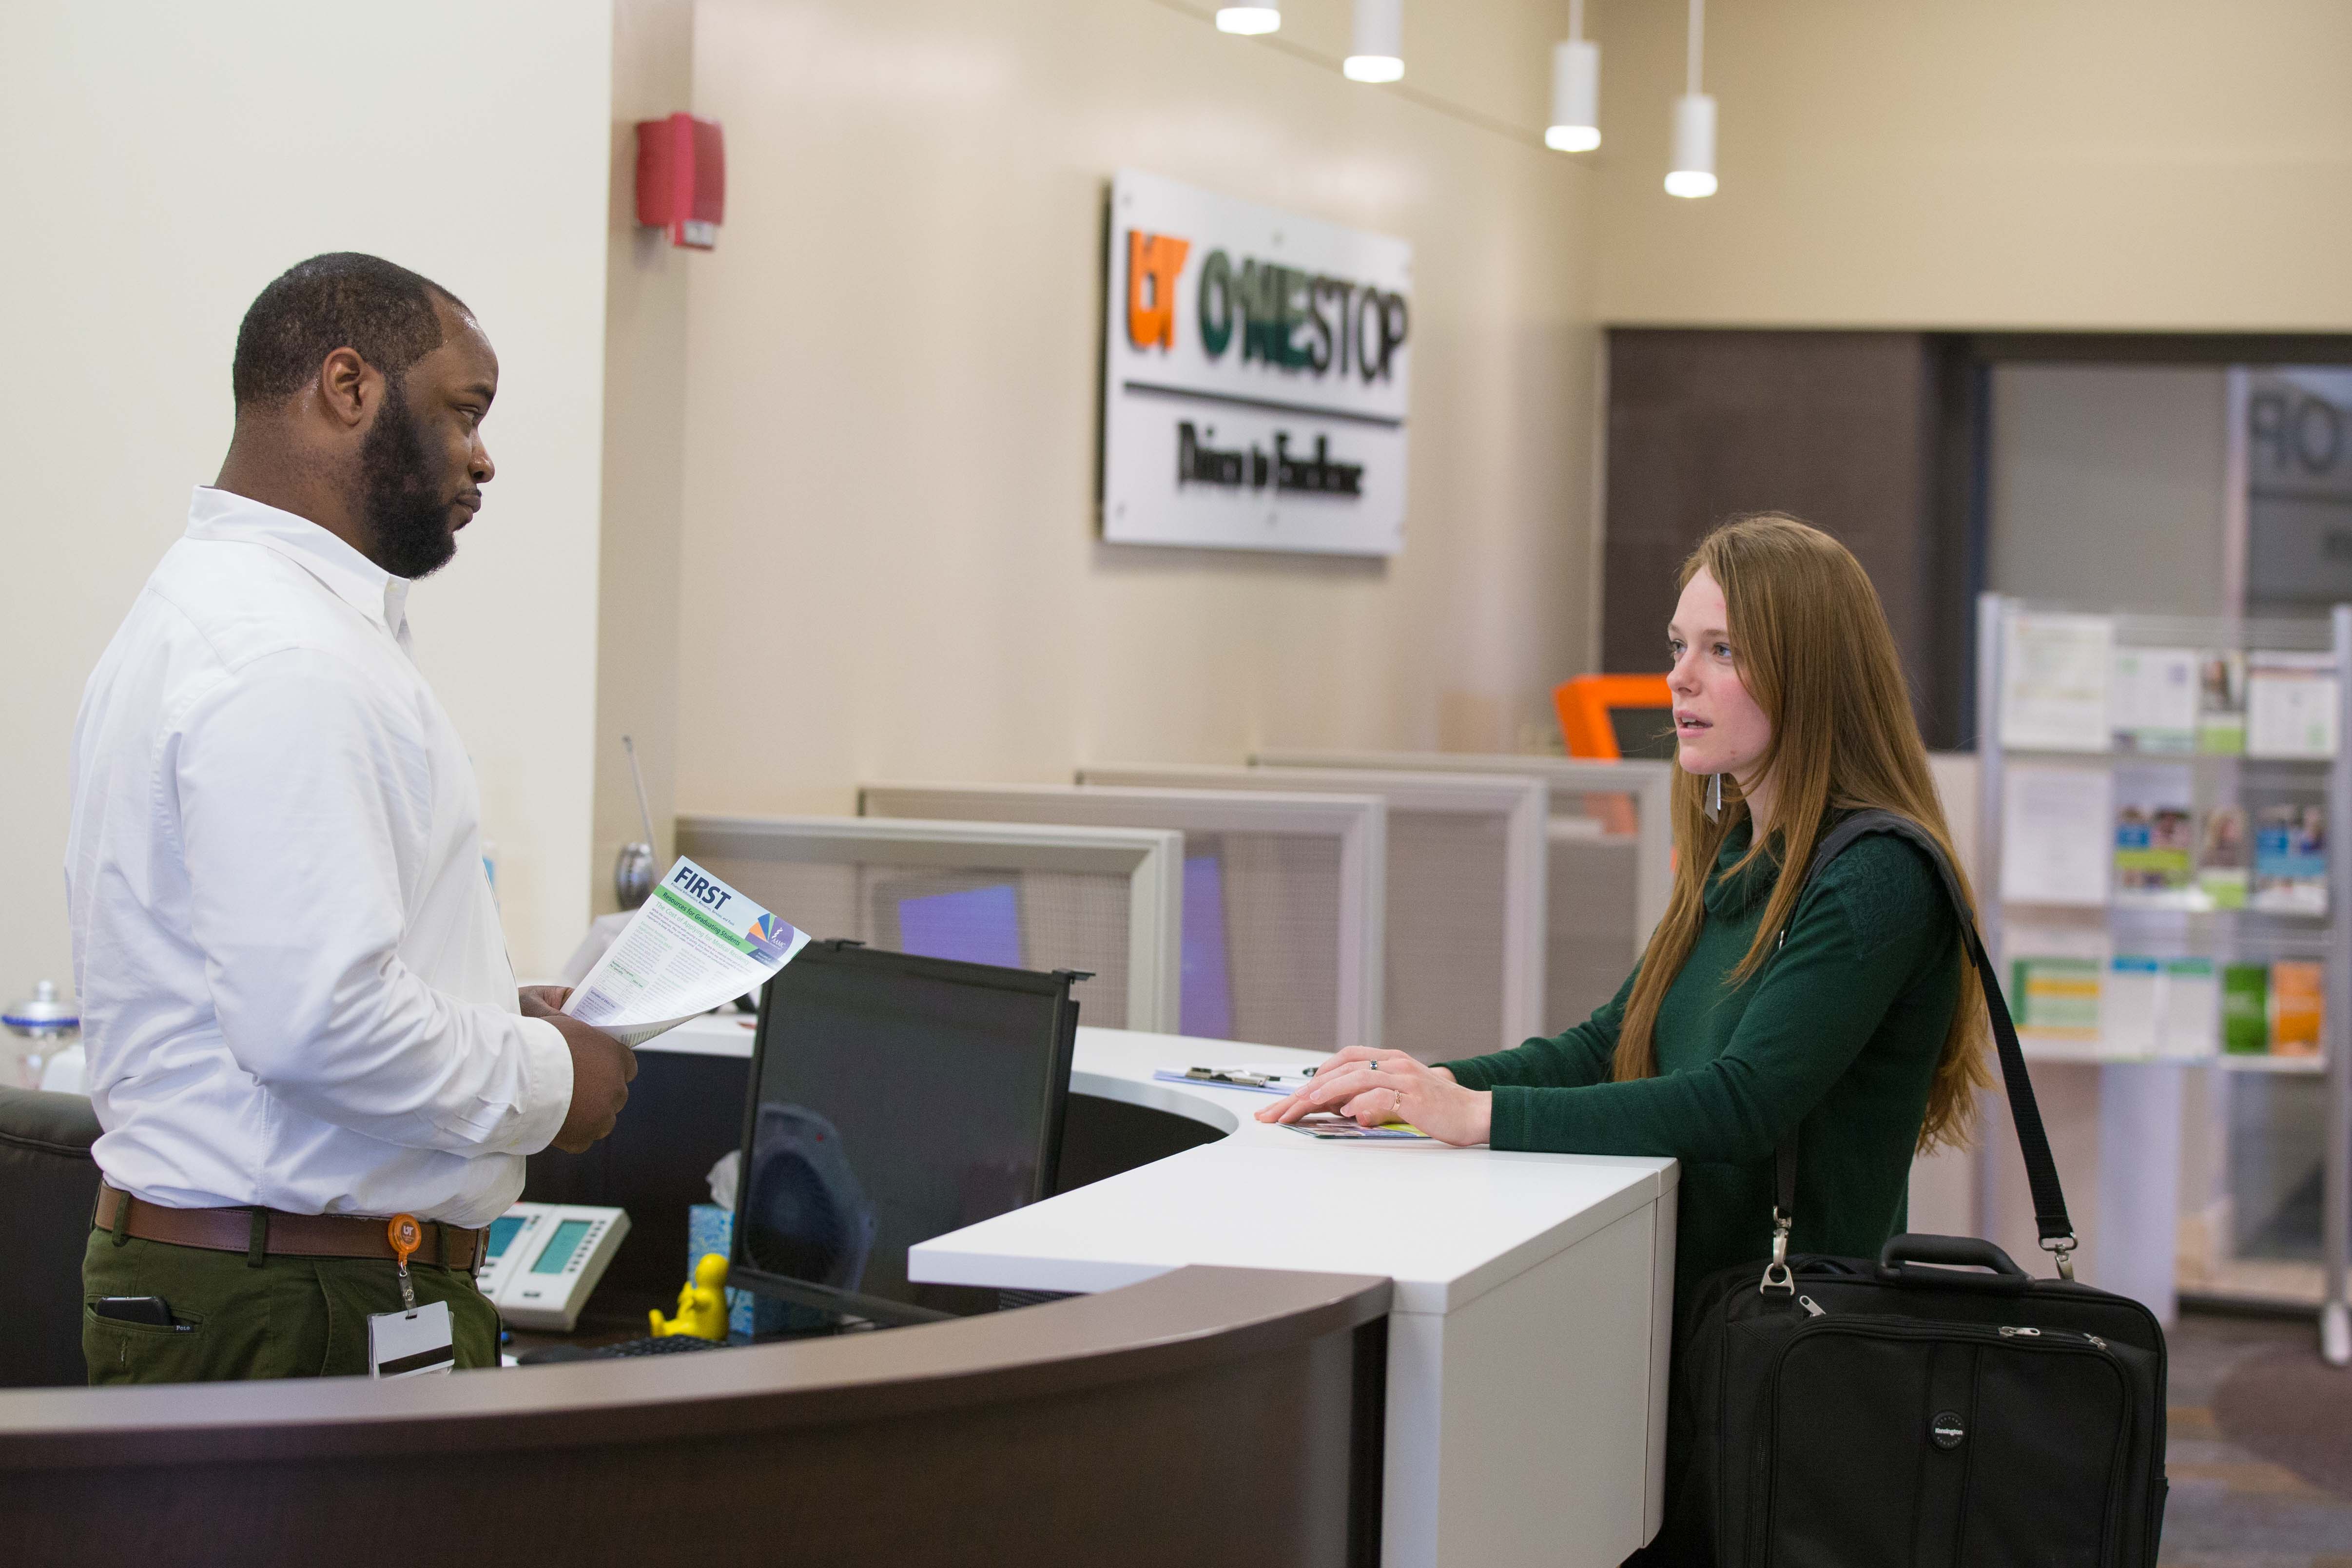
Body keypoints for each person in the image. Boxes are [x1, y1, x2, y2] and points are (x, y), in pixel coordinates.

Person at [66, 253, 635, 1383]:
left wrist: (485, 1003)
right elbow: (316, 1024)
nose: (484, 455)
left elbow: (283, 983)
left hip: (283, 1282)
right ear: (347, 386)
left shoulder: (219, 610)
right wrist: (556, 1081)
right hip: (299, 1302)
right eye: (464, 412)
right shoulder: (285, 656)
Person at [1261, 512, 1989, 1312]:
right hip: (1697, 1313)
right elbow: (1613, 1042)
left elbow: (1742, 1103)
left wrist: (1479, 1114)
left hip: (1791, 1346)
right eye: (1679, 646)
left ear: (1810, 672)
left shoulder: (1875, 873)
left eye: (1724, 649)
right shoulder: (1742, 849)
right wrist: (1422, 1086)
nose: (1679, 677)